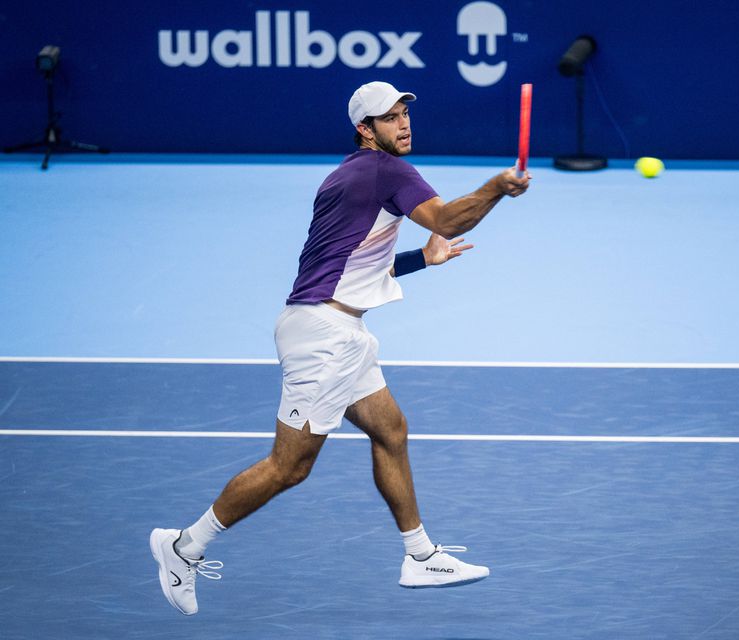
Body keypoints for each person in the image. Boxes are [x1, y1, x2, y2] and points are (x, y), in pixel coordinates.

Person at [150, 81, 531, 615]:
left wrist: (422, 259)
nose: (403, 124)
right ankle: (183, 547)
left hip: (334, 330)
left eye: (404, 113)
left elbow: (347, 268)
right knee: (290, 466)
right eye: (389, 117)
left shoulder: (344, 178)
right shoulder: (387, 171)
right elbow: (448, 219)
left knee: (390, 429)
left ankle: (420, 555)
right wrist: (495, 188)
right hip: (324, 339)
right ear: (364, 130)